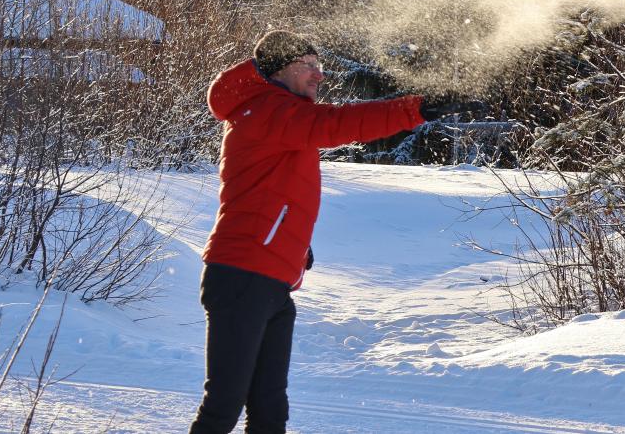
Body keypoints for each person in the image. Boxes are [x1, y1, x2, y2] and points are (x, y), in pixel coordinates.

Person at [189, 30, 458, 434]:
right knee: (223, 406)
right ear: (279, 70)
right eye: (308, 66)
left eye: (320, 66)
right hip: (244, 274)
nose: (319, 75)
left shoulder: (277, 112)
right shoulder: (268, 110)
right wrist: (414, 109)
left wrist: (296, 247)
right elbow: (337, 123)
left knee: (269, 409)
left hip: (270, 278)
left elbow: (274, 193)